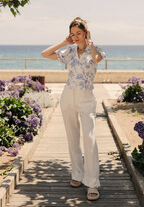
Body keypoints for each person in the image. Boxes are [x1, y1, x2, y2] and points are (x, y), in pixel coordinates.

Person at [41, 17, 105, 201]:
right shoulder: (68, 52)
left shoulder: (96, 50)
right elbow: (45, 54)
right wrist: (64, 42)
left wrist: (90, 43)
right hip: (68, 96)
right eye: (73, 34)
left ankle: (92, 183)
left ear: (85, 32)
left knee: (89, 139)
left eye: (79, 33)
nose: (75, 37)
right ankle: (77, 174)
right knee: (72, 137)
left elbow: (96, 58)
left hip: (86, 99)